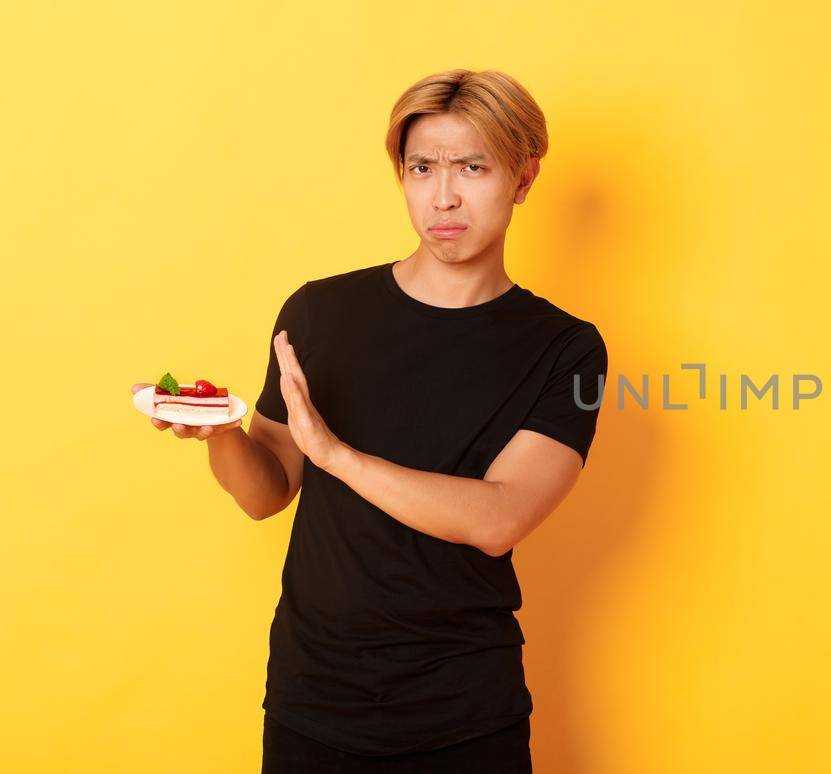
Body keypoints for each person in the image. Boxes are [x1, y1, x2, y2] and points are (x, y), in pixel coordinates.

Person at [130, 68, 607, 773]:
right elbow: (266, 495)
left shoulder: (566, 348)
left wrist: (337, 454)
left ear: (523, 177)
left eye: (472, 167)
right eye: (421, 168)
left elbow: (499, 518)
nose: (443, 195)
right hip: (313, 699)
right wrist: (223, 432)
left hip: (464, 713)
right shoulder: (319, 312)